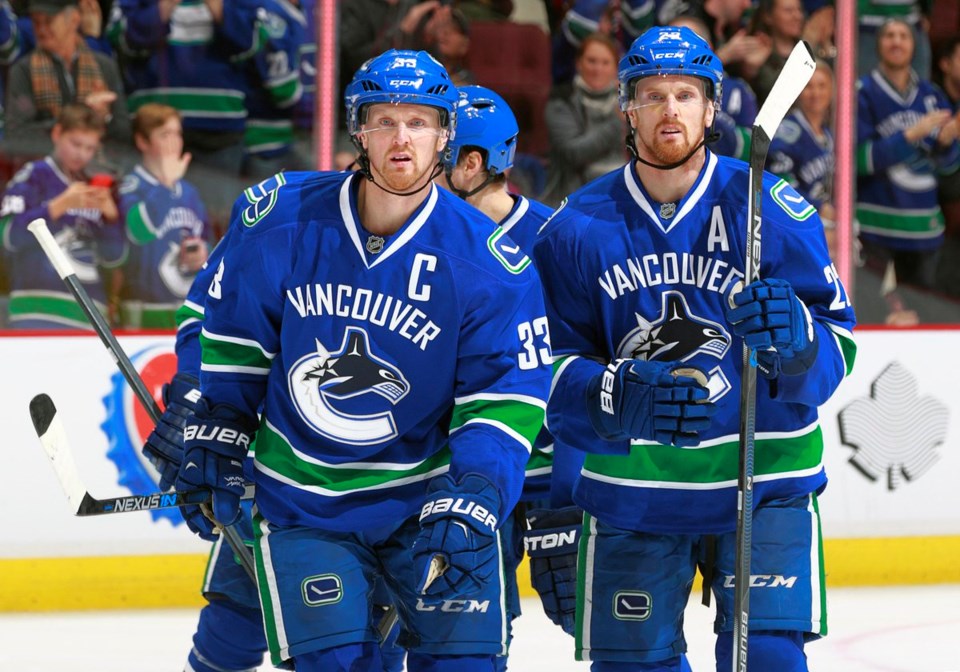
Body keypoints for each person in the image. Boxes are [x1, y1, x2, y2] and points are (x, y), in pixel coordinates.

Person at [166, 49, 551, 671]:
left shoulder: (487, 261)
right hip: (304, 501)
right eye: (385, 120)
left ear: (444, 134)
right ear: (359, 128)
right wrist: (216, 426)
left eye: (419, 122)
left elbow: (503, 397)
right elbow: (236, 347)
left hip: (425, 503)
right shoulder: (280, 218)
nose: (402, 138)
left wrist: (477, 489)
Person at [533, 25, 857, 671]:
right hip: (635, 485)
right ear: (628, 109)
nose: (670, 109)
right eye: (653, 95)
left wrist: (795, 343)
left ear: (712, 109)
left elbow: (838, 348)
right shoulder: (574, 228)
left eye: (686, 94)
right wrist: (611, 397)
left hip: (766, 476)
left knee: (765, 656)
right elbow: (542, 366)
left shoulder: (771, 207)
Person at [435, 83, 555, 666]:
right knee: (471, 634)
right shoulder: (424, 237)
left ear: (471, 163)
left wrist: (568, 494)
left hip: (548, 474)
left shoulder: (558, 241)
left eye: (439, 156)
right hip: (461, 469)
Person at [856, 18, 960, 322]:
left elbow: (949, 168)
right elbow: (859, 159)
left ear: (914, 45)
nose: (896, 41)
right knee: (873, 315)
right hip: (875, 228)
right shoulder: (863, 93)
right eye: (889, 35)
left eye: (903, 35)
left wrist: (946, 143)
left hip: (924, 230)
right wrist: (911, 136)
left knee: (924, 317)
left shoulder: (933, 96)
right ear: (878, 45)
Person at [0, 102, 125, 328]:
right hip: (37, 309)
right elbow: (7, 236)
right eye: (76, 144)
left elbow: (114, 259)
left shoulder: (95, 186)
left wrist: (111, 220)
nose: (82, 154)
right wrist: (57, 206)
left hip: (91, 316)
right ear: (57, 133)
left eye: (90, 148)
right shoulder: (33, 175)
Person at [117, 103, 211, 329]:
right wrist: (165, 184)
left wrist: (202, 253)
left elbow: (209, 240)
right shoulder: (130, 186)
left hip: (187, 313)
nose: (175, 142)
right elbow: (138, 232)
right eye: (164, 135)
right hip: (144, 314)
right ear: (142, 142)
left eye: (177, 134)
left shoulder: (190, 192)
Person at [4, 0, 130, 161]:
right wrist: (80, 116)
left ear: (74, 20)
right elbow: (15, 138)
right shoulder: (23, 70)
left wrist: (105, 118)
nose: (41, 29)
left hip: (99, 169)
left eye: (48, 21)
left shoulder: (105, 66)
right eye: (36, 22)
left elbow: (124, 133)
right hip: (45, 171)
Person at [543, 32, 625, 206]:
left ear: (616, 68)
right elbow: (573, 153)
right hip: (573, 196)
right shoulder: (561, 99)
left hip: (624, 192)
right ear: (578, 63)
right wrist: (618, 121)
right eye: (592, 61)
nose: (598, 69)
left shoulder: (629, 99)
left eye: (605, 62)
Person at [768, 59, 837, 259]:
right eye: (808, 86)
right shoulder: (788, 131)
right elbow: (778, 183)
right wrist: (817, 206)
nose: (816, 93)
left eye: (822, 86)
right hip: (797, 226)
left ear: (832, 90)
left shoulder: (829, 134)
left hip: (825, 225)